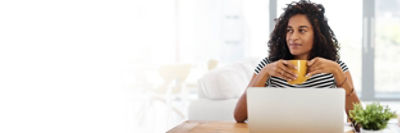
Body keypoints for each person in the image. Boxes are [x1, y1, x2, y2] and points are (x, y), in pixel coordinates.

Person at [233, 0, 361, 124]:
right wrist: (264, 73)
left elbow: (358, 120)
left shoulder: (335, 67)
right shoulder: (269, 66)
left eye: (302, 30)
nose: (293, 37)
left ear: (317, 34)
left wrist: (337, 72)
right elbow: (239, 116)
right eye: (289, 30)